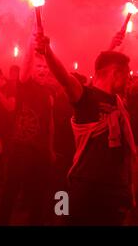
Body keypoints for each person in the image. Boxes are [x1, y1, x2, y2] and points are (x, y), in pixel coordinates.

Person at [36, 32, 136, 226]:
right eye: (126, 75)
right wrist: (47, 52)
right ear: (115, 74)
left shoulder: (119, 103)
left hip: (114, 191)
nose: (129, 80)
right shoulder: (86, 98)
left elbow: (103, 64)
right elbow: (64, 77)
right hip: (85, 188)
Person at [0, 32, 55, 226]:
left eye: (45, 67)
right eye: (39, 66)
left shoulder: (48, 93)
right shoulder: (25, 84)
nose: (42, 70)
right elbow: (25, 65)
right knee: (10, 191)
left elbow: (49, 124)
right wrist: (32, 40)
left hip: (40, 152)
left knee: (38, 195)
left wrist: (49, 150)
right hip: (20, 148)